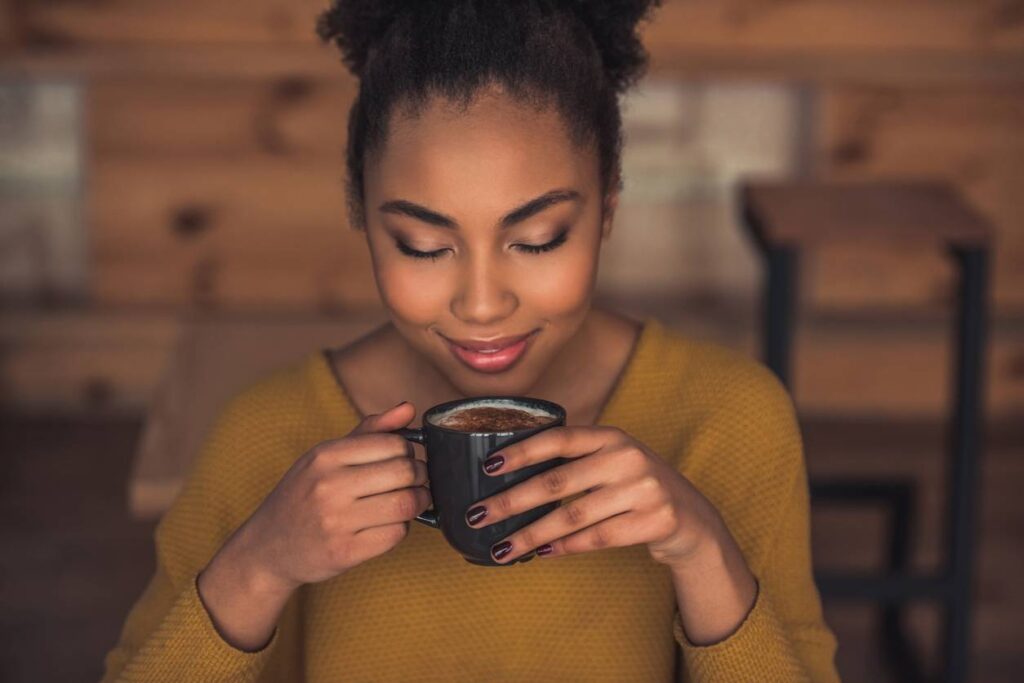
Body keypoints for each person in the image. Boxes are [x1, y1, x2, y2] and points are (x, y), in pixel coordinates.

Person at [102, 1, 839, 680]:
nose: (483, 306)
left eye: (540, 239)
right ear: (362, 215)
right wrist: (259, 565)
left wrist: (701, 549)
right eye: (423, 245)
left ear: (607, 210)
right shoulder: (270, 433)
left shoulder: (727, 416)